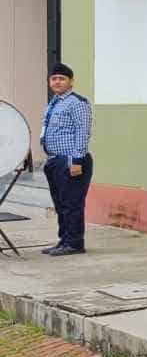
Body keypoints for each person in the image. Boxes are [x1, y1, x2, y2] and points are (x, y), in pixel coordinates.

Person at [40, 63, 92, 256]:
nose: (57, 82)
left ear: (71, 81)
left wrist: (76, 160)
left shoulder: (77, 102)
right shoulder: (54, 103)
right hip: (55, 160)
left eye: (62, 78)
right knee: (60, 204)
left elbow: (83, 132)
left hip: (71, 161)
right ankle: (64, 241)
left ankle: (75, 243)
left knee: (72, 204)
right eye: (54, 78)